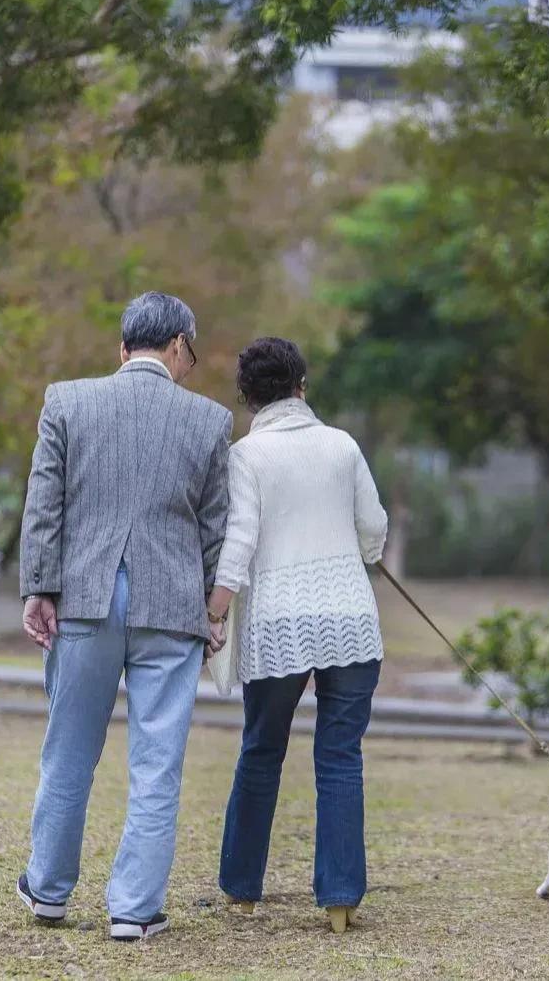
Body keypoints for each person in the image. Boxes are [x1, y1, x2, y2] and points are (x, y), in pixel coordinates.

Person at [17, 292, 232, 941]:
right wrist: (213, 611)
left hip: (82, 597)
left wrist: (38, 588)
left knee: (68, 751)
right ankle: (134, 909)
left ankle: (49, 890)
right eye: (190, 352)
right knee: (157, 761)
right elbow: (216, 527)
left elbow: (44, 505)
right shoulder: (211, 419)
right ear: (175, 346)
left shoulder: (67, 401)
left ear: (122, 346)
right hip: (171, 605)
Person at [211, 337, 388, 934]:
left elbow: (239, 540)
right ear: (301, 387)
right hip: (349, 618)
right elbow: (373, 524)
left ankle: (241, 889)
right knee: (341, 756)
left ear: (247, 397)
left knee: (262, 749)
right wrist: (366, 552)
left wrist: (217, 607)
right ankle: (340, 899)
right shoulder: (342, 445)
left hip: (279, 620)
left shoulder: (247, 455)